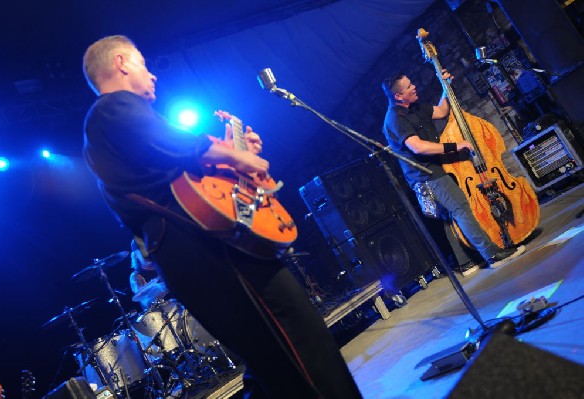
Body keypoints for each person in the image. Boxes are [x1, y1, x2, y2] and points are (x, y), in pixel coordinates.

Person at [82, 35, 362, 398]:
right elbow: (182, 149)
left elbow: (189, 178)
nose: (151, 75)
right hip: (204, 249)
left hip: (206, 246)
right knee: (299, 344)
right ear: (121, 63)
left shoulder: (123, 127)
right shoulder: (112, 109)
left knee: (279, 359)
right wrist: (236, 156)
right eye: (142, 64)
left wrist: (233, 156)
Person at [381, 71, 526, 275]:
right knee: (461, 209)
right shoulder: (395, 118)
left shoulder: (415, 107)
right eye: (408, 86)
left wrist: (445, 86)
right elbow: (418, 147)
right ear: (398, 96)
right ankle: (492, 255)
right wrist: (455, 146)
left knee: (451, 216)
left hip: (436, 170)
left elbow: (441, 111)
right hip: (427, 175)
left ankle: (465, 262)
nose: (414, 87)